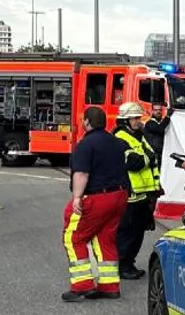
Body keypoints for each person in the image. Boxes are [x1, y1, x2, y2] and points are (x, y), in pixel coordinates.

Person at [62, 105, 130, 302]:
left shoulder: (85, 145)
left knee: (73, 237)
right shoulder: (117, 142)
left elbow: (82, 173)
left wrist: (77, 197)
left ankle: (82, 285)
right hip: (119, 195)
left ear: (86, 122)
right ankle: (109, 286)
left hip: (96, 197)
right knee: (105, 239)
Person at [114, 102, 162, 280]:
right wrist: (148, 157)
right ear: (125, 119)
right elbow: (134, 163)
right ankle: (122, 264)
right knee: (127, 232)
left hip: (144, 194)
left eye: (138, 117)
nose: (138, 121)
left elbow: (150, 157)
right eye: (135, 118)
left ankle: (128, 262)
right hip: (131, 195)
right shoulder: (120, 137)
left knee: (138, 232)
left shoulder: (138, 136)